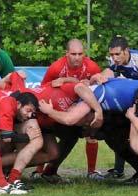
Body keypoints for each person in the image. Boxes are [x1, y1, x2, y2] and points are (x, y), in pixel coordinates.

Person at [95, 35, 138, 179]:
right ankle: (120, 170)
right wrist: (99, 76)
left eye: (117, 54)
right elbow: (109, 72)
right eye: (111, 54)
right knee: (116, 131)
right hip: (132, 100)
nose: (114, 58)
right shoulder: (115, 61)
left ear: (126, 51)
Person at [39, 39, 103, 180]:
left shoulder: (91, 66)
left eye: (80, 54)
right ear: (66, 54)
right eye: (73, 54)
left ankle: (92, 172)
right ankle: (40, 171)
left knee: (90, 132)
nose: (77, 57)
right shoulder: (56, 67)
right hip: (61, 105)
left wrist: (69, 80)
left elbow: (96, 89)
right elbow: (44, 88)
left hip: (83, 104)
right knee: (49, 134)